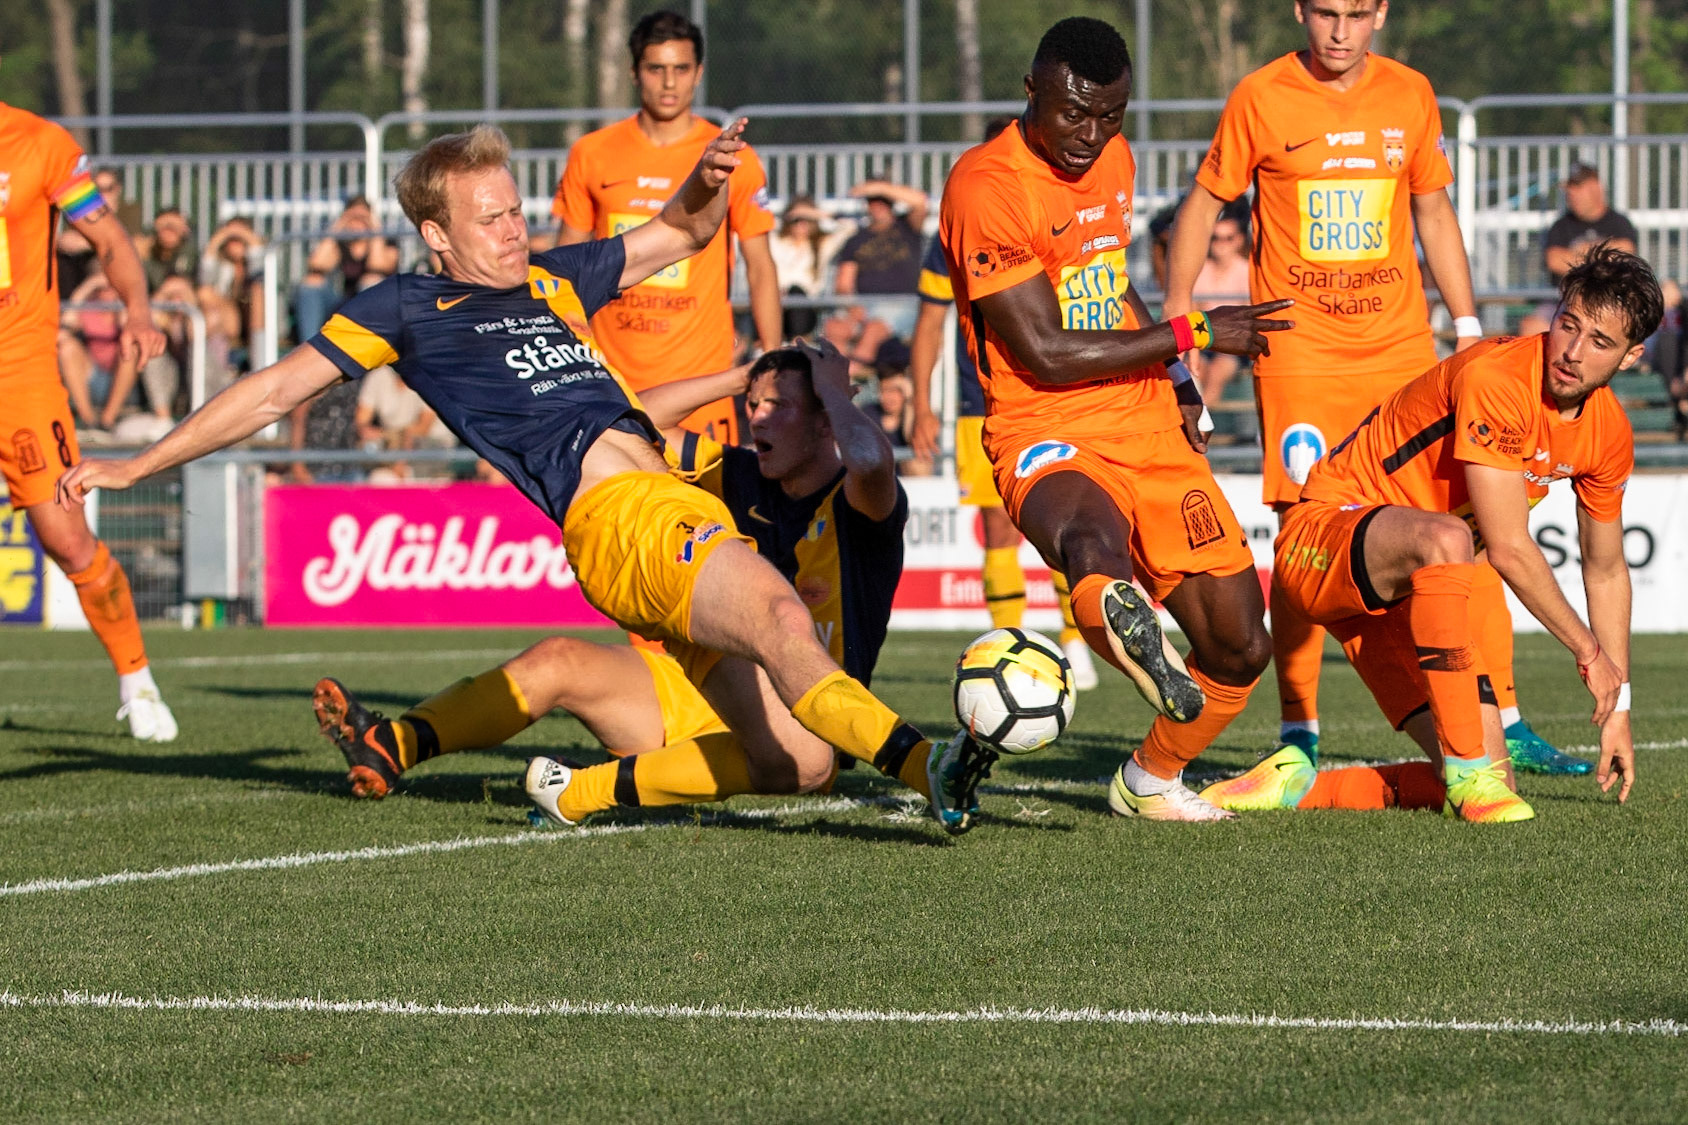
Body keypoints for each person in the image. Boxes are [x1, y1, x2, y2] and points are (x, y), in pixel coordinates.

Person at [60, 123, 991, 834]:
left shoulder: (549, 279)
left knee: (800, 759)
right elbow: (268, 392)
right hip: (623, 517)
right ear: (436, 233)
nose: (515, 231)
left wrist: (706, 184)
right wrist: (136, 464)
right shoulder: (407, 307)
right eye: (491, 219)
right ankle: (930, 769)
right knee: (784, 619)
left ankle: (576, 789)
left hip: (661, 504)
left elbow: (677, 235)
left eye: (515, 210)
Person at [1162, 0, 1584, 779]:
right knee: (1302, 536)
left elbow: (1432, 209)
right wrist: (1177, 329)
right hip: (1300, 356)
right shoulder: (1259, 96)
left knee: (1465, 522)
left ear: (1381, 13)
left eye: (1357, 13)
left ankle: (1507, 716)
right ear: (1300, 10)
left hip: (1400, 351)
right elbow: (1204, 203)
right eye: (1325, 12)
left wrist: (1464, 330)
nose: (1339, 31)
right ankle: (1299, 727)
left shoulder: (1410, 93)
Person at [311, 341, 914, 826]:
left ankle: (584, 790)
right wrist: (742, 378)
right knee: (558, 660)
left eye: (777, 406)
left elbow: (866, 459)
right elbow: (631, 421)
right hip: (706, 690)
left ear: (823, 421)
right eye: (753, 406)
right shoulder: (738, 471)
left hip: (805, 718)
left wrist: (835, 389)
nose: (755, 418)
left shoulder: (861, 499)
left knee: (792, 692)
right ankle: (392, 745)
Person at [938, 17, 1293, 821]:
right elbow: (1047, 351)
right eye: (1073, 114)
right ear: (1031, 91)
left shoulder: (1113, 158)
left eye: (1111, 117)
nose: (1090, 136)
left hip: (1145, 421)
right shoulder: (986, 186)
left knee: (1241, 642)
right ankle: (1123, 624)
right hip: (1043, 420)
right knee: (1091, 543)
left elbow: (1109, 282)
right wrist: (1196, 331)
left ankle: (1149, 780)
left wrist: (1175, 374)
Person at [1202, 246, 1656, 820]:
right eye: (1568, 325)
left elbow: (1607, 568)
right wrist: (1588, 653)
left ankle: (1300, 787)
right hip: (1322, 544)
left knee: (1501, 782)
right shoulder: (1499, 378)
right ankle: (1467, 768)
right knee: (1452, 541)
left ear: (1633, 355)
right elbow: (1511, 549)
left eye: (1599, 342)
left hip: (1415, 595)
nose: (1571, 351)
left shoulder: (1609, 432)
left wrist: (1619, 704)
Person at [0, 96, 176, 740]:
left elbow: (106, 235)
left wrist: (136, 309)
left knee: (68, 538)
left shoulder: (37, 143)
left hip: (16, 370)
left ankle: (137, 678)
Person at [908, 127, 1101, 689]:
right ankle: (1009, 646)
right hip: (981, 401)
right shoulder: (963, 213)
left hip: (1056, 392)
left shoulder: (1055, 211)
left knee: (1069, 518)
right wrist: (922, 402)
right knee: (997, 527)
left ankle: (1074, 638)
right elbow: (929, 320)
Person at [552, 9, 781, 445]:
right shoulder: (592, 153)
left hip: (703, 387)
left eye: (681, 69)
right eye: (656, 69)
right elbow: (566, 266)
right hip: (611, 384)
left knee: (709, 512)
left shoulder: (730, 157)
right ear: (636, 73)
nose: (669, 83)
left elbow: (760, 265)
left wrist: (770, 358)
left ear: (699, 73)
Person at [1544, 164, 1638, 284]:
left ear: (1596, 187)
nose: (1571, 194)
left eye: (1578, 187)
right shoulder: (1560, 226)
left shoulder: (1619, 222)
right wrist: (1602, 257)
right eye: (1569, 189)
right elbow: (1555, 261)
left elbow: (1625, 253)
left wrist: (1579, 254)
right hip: (1567, 298)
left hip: (1610, 297)